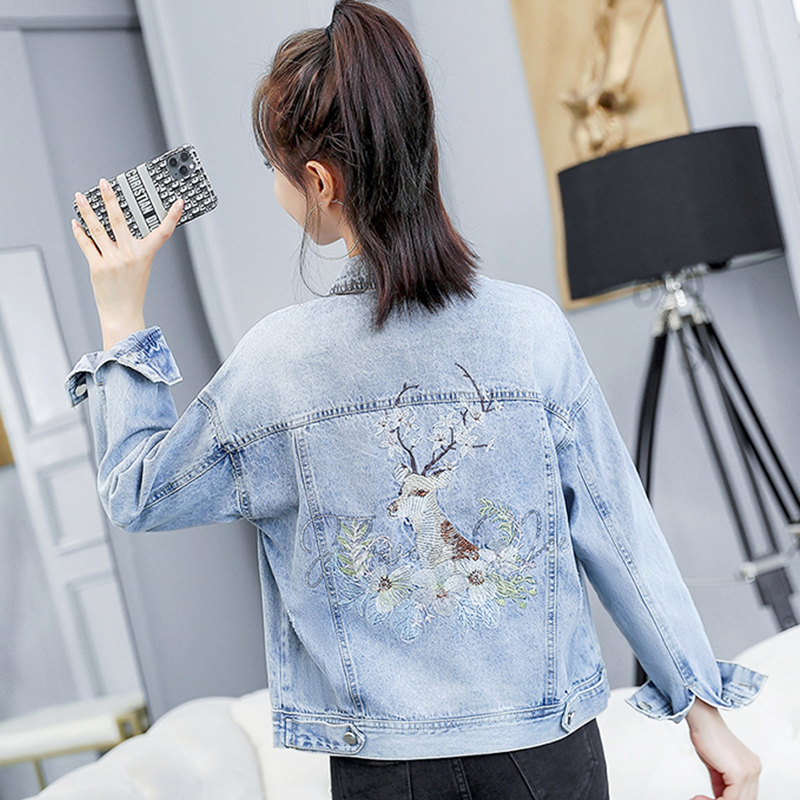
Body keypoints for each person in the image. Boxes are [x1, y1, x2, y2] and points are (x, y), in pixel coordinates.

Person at [67, 1, 764, 798]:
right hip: (550, 758)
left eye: (273, 165)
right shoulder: (532, 329)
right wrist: (703, 708)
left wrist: (120, 316)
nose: (274, 181)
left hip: (386, 772)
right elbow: (618, 532)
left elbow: (140, 493)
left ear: (319, 181)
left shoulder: (279, 361)